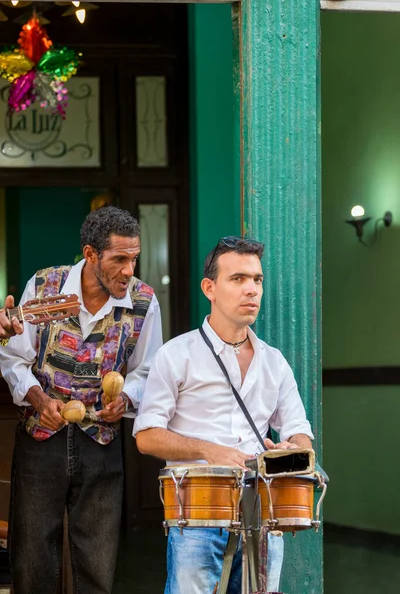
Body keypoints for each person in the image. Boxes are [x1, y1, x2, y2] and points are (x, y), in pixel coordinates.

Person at [134, 236, 314, 594]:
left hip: (262, 511)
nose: (252, 290)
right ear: (209, 288)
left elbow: (300, 433)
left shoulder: (274, 361)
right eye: (238, 279)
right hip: (197, 512)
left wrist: (287, 452)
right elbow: (146, 435)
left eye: (257, 280)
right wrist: (211, 451)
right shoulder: (176, 355)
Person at [0, 206, 163, 594]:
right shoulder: (44, 288)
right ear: (91, 255)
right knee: (32, 559)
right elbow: (13, 356)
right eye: (119, 259)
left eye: (134, 258)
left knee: (97, 563)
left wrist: (125, 398)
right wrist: (39, 400)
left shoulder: (144, 301)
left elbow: (147, 370)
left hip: (102, 444)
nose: (129, 270)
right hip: (40, 441)